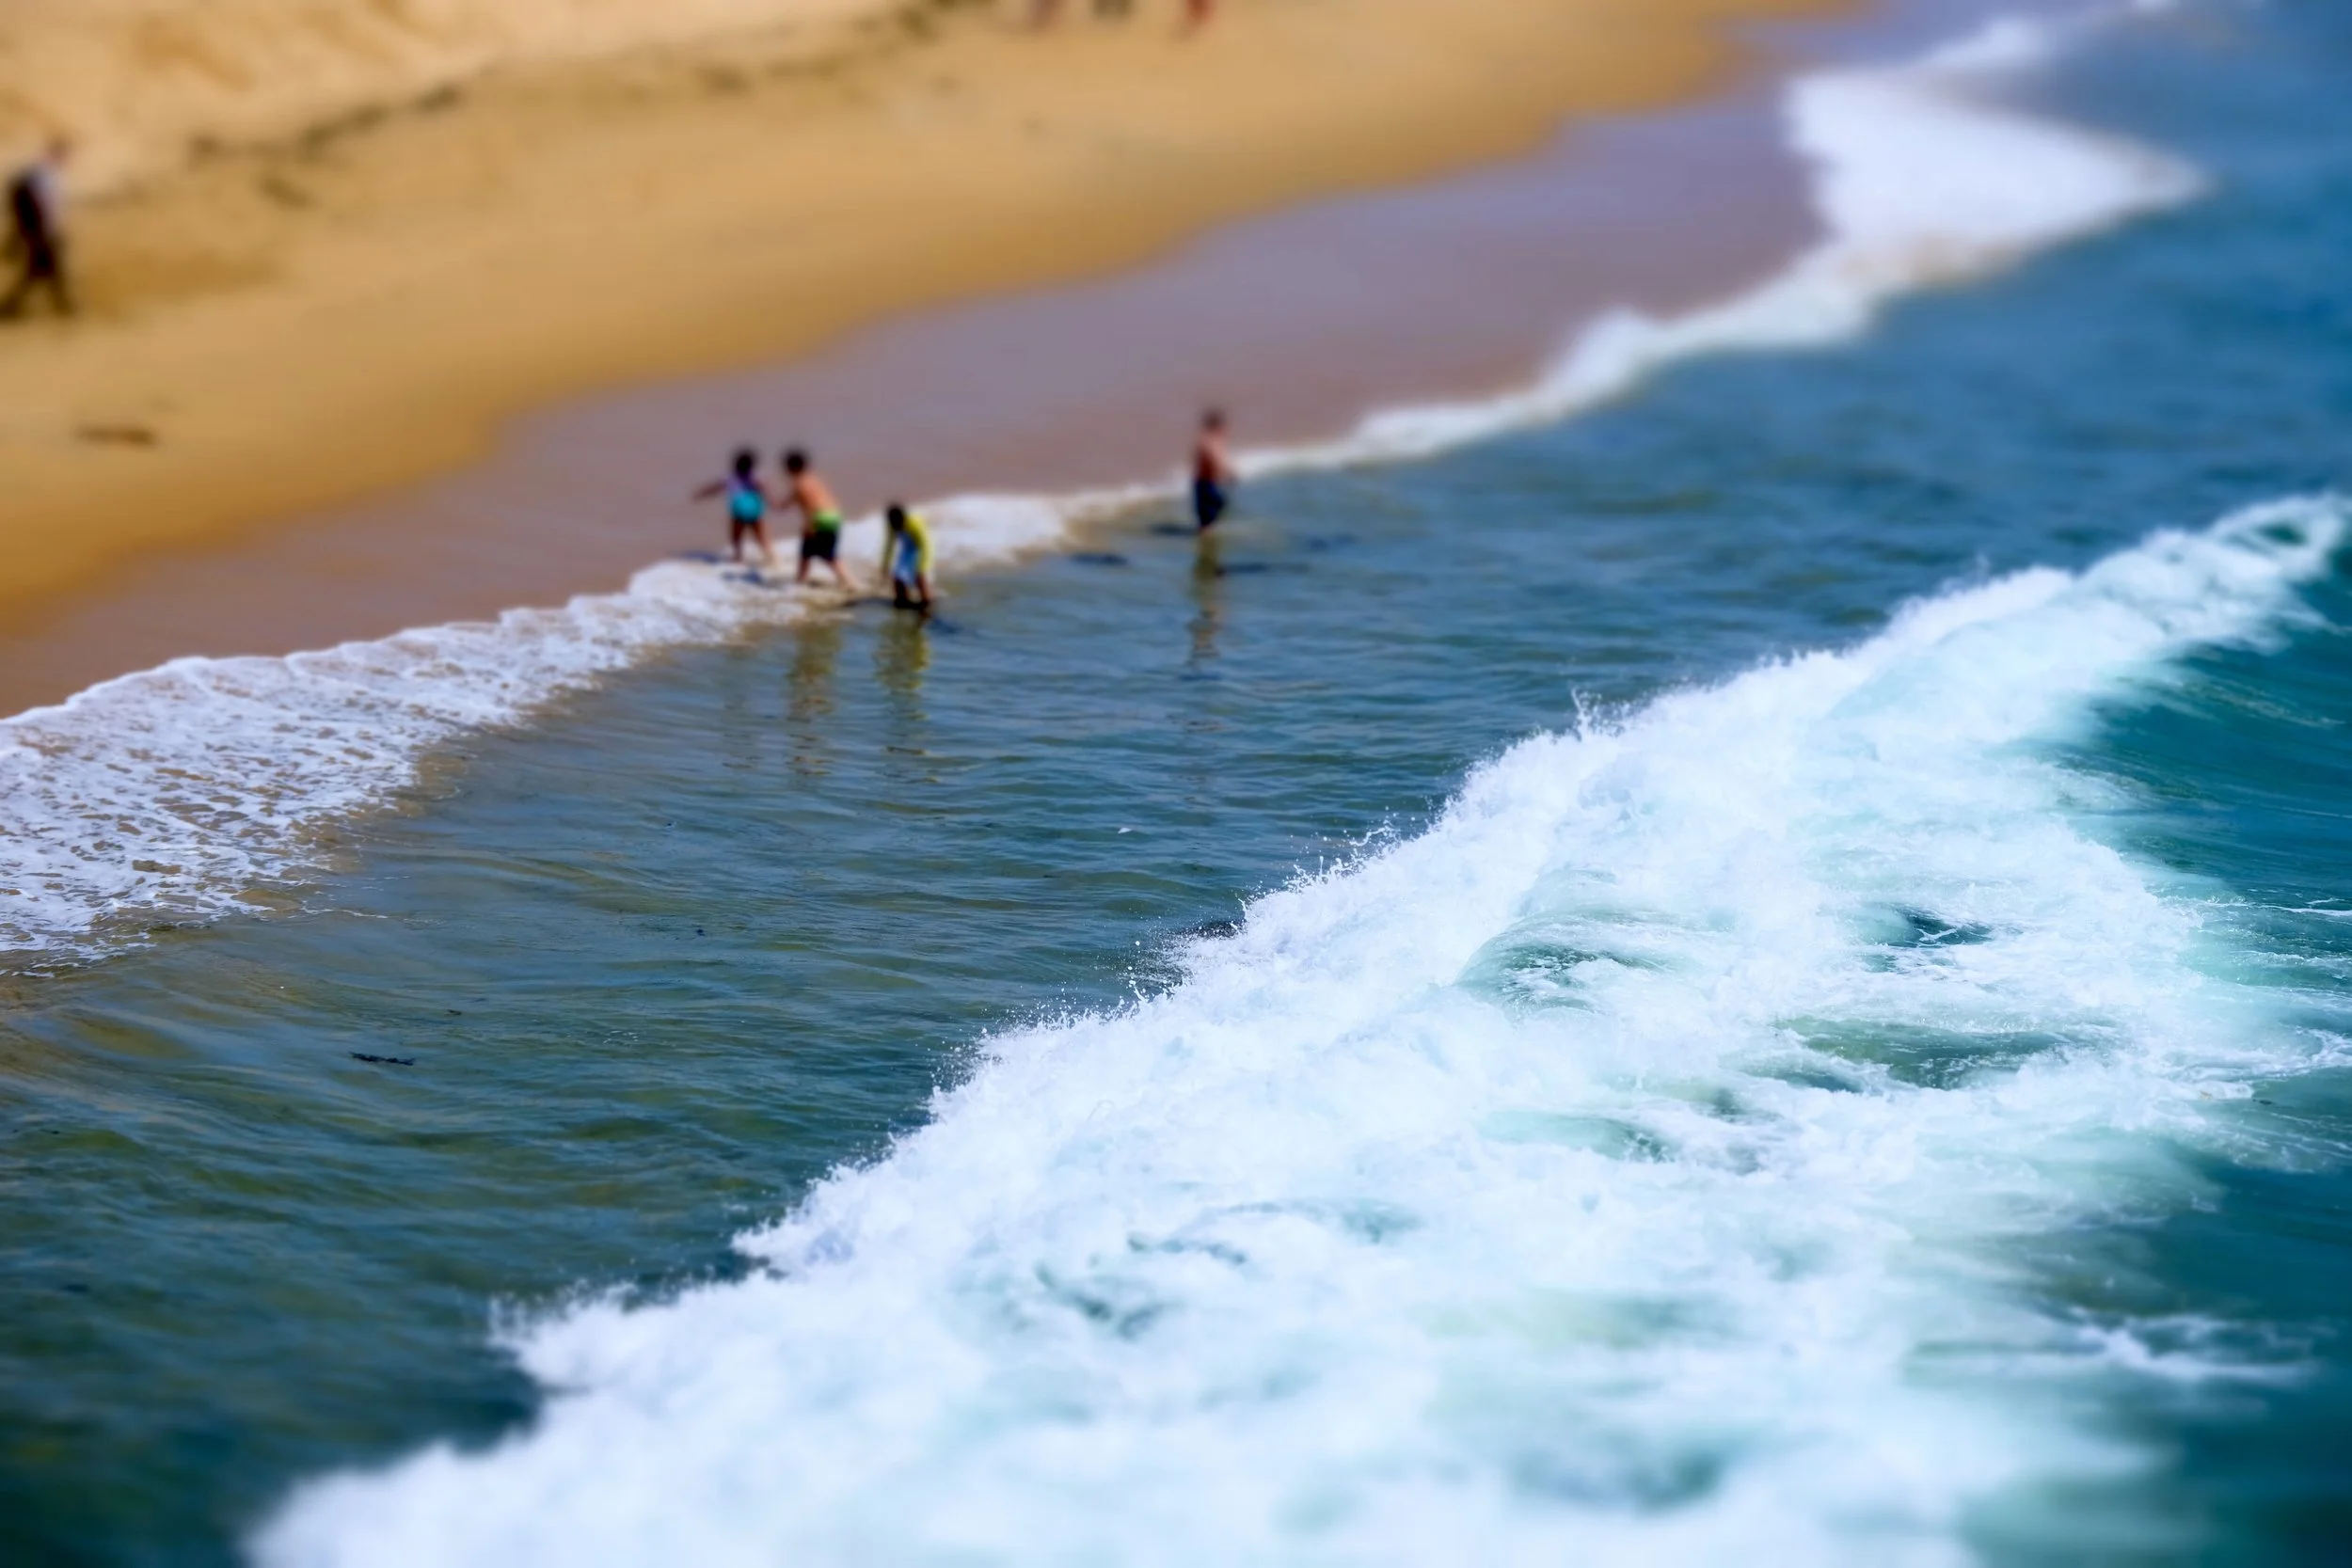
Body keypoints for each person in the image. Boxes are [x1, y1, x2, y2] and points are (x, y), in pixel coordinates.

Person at [3, 138, 73, 320]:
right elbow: (44, 208)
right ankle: (64, 306)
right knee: (46, 269)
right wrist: (50, 231)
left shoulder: (37, 174)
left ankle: (12, 306)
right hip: (41, 233)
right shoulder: (45, 177)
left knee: (39, 270)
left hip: (37, 232)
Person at [781, 448, 858, 590]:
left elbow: (810, 507)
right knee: (808, 551)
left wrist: (810, 526)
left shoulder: (799, 485)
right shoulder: (812, 478)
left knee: (826, 554)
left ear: (790, 468)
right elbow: (787, 503)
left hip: (820, 519)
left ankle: (848, 581)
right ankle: (801, 580)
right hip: (834, 516)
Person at [691, 448, 777, 567]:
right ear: (752, 465)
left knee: (736, 535)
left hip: (739, 513)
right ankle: (768, 554)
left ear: (735, 464)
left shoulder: (730, 478)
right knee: (760, 534)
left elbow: (714, 488)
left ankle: (738, 556)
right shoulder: (756, 478)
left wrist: (700, 494)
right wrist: (773, 502)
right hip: (754, 511)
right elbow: (765, 490)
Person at [883, 503, 935, 612]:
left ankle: (926, 604)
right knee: (898, 578)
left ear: (903, 519)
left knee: (920, 578)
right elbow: (889, 545)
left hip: (921, 549)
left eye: (899, 525)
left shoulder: (914, 523)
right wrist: (885, 565)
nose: (897, 528)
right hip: (907, 549)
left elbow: (926, 545)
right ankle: (903, 602)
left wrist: (922, 567)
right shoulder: (892, 525)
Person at [1191, 406, 1235, 531]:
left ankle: (1208, 534)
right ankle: (1204, 541)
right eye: (1222, 427)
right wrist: (1227, 473)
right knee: (1206, 523)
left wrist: (1229, 472)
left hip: (1211, 483)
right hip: (1204, 484)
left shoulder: (1217, 440)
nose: (1225, 430)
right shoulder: (1207, 442)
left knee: (1219, 506)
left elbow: (1221, 459)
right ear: (1216, 426)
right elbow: (1214, 460)